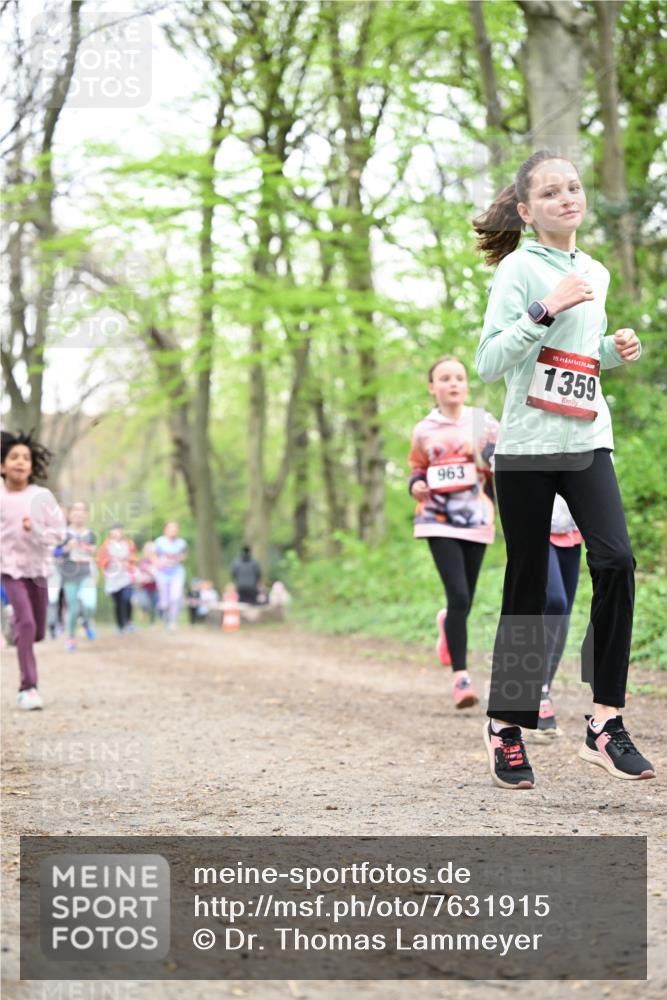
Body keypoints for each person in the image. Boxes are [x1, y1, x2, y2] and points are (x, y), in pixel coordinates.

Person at [473, 149, 654, 788]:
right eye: (550, 193)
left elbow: (575, 360)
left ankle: (604, 722)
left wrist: (613, 350)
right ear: (526, 211)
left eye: (573, 187)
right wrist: (543, 309)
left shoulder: (595, 271)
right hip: (526, 448)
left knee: (616, 562)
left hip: (586, 440)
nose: (567, 198)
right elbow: (490, 361)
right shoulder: (519, 269)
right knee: (527, 585)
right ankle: (506, 727)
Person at [408, 357, 499, 709]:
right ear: (432, 387)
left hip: (477, 517)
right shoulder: (424, 429)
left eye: (459, 377)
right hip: (436, 518)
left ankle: (448, 622)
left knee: (465, 600)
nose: (453, 384)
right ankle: (461, 677)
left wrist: (493, 462)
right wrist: (415, 485)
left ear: (466, 384)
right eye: (445, 378)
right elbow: (417, 467)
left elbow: (501, 462)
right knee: (458, 595)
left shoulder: (482, 423)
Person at [0, 431, 66, 710]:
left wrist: (35, 528)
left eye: (26, 458)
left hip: (38, 570)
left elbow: (59, 535)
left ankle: (15, 625)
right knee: (26, 623)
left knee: (36, 631)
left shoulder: (41, 496)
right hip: (9, 570)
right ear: (2, 465)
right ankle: (28, 688)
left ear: (32, 465)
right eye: (14, 457)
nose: (20, 462)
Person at [534, 494, 583, 740]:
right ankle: (538, 692)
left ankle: (543, 690)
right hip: (535, 528)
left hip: (573, 531)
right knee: (555, 601)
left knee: (563, 615)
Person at [58, 501, 97, 651]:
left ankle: (86, 622)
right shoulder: (63, 534)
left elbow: (93, 551)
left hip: (86, 573)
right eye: (75, 510)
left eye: (81, 510)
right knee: (73, 608)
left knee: (90, 605)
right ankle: (71, 638)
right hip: (69, 574)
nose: (78, 513)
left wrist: (87, 548)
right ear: (69, 514)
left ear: (86, 514)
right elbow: (54, 552)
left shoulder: (91, 534)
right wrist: (67, 548)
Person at [96, 523, 136, 633]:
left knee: (127, 599)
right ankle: (120, 625)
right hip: (113, 577)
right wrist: (111, 561)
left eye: (118, 530)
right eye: (114, 530)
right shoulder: (106, 546)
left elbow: (133, 558)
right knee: (118, 602)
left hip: (126, 576)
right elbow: (100, 561)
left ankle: (128, 621)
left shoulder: (128, 543)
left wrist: (128, 563)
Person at [153, 521, 188, 630]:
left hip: (177, 572)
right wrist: (158, 563)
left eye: (175, 529)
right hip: (162, 574)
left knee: (175, 597)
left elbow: (184, 555)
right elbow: (153, 555)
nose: (173, 531)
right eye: (171, 529)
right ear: (165, 530)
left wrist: (178, 558)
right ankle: (164, 614)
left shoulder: (181, 543)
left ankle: (173, 621)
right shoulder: (159, 541)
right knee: (164, 601)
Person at [134, 541, 159, 624]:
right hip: (143, 586)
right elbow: (137, 573)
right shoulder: (141, 561)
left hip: (154, 586)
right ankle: (143, 615)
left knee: (154, 605)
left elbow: (158, 571)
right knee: (143, 603)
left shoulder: (156, 561)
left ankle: (152, 622)